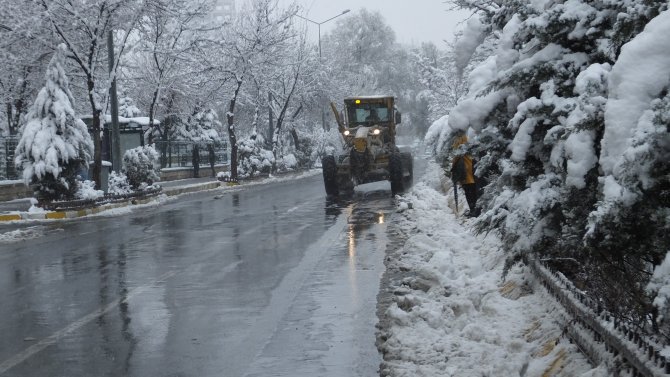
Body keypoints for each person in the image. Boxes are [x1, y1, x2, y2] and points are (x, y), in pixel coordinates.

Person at [451, 131, 480, 217]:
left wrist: (453, 167)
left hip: (465, 169)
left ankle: (472, 210)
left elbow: (456, 155)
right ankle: (476, 210)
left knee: (468, 191)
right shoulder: (471, 136)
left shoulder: (459, 138)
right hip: (473, 167)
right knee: (474, 190)